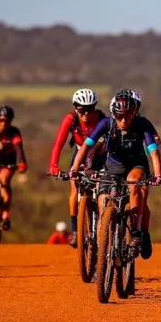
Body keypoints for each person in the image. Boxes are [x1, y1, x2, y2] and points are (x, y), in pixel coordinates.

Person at [69, 92, 161, 259]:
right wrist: (75, 169)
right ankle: (101, 251)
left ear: (134, 113)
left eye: (128, 116)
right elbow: (85, 147)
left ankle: (136, 233)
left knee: (134, 183)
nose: (123, 121)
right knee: (103, 203)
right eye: (119, 116)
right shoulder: (107, 124)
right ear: (113, 114)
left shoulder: (142, 124)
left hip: (136, 165)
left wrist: (157, 175)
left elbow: (154, 152)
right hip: (111, 167)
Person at [48, 88, 107, 249]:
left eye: (90, 109)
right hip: (80, 154)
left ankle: (107, 222)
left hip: (100, 155)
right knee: (74, 188)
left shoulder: (102, 119)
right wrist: (54, 165)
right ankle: (75, 230)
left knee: (105, 188)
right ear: (75, 108)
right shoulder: (71, 119)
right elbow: (58, 144)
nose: (86, 113)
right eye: (82, 109)